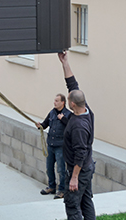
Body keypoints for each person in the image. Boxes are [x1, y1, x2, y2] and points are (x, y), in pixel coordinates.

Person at [58, 51, 95, 220]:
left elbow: (80, 153)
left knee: (72, 205)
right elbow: (72, 85)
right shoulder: (85, 109)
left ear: (72, 104)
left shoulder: (79, 126)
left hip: (79, 169)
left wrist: (74, 177)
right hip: (87, 167)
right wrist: (64, 62)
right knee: (86, 201)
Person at [36, 93, 71, 198]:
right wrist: (40, 126)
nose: (54, 102)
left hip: (61, 146)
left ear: (63, 102)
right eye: (54, 100)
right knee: (49, 168)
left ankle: (62, 190)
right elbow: (45, 124)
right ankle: (51, 187)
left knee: (61, 169)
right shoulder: (52, 113)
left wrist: (63, 119)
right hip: (50, 145)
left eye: (57, 101)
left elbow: (71, 128)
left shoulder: (68, 114)